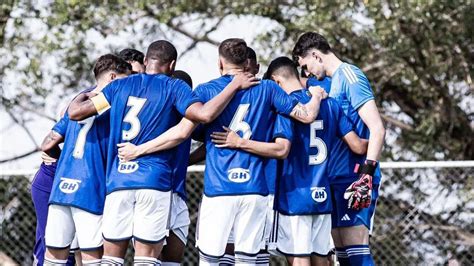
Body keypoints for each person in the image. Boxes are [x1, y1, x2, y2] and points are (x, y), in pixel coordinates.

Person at [117, 38, 327, 266]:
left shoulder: (207, 90)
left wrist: (140, 150)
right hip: (254, 190)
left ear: (219, 63)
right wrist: (316, 96)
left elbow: (183, 132)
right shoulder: (268, 89)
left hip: (219, 190)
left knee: (210, 260)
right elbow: (306, 116)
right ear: (248, 62)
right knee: (248, 261)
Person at [66, 40, 257, 265]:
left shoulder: (119, 86)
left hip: (118, 181)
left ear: (146, 61)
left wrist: (80, 98)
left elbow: (76, 113)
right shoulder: (175, 87)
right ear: (173, 65)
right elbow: (204, 115)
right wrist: (234, 85)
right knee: (147, 259)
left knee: (110, 259)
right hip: (154, 181)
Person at [293, 32, 386, 266]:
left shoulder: (350, 76)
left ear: (315, 55)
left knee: (356, 251)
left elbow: (378, 129)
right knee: (342, 255)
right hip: (334, 177)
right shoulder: (330, 82)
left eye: (306, 65)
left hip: (354, 177)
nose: (307, 73)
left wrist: (366, 175)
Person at [41, 54, 132, 265]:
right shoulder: (114, 104)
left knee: (54, 257)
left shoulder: (77, 102)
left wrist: (64, 162)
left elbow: (47, 144)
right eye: (125, 79)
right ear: (112, 77)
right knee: (92, 257)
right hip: (90, 189)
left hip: (62, 189)